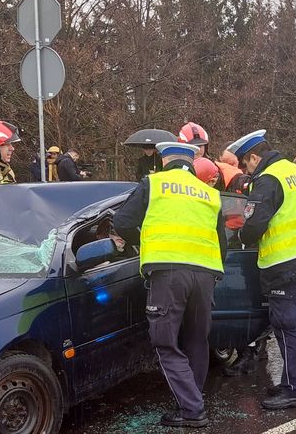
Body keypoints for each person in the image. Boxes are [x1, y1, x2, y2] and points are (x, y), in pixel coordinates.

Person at [113, 141, 225, 428]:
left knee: (164, 342)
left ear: (164, 161)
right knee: (197, 339)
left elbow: (122, 222)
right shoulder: (209, 193)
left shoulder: (154, 183)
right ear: (191, 162)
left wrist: (145, 243)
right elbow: (222, 243)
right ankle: (192, 398)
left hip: (168, 273)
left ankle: (192, 409)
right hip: (205, 275)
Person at [229, 129, 296, 410]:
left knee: (286, 325)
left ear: (254, 157)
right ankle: (293, 382)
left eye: (246, 163)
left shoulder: (268, 181)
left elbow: (253, 227)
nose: (247, 169)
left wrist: (240, 235)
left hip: (284, 263)